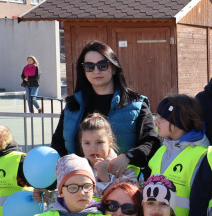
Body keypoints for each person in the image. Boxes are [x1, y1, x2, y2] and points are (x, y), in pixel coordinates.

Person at [50, 41, 159, 177]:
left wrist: (128, 157)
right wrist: (47, 182)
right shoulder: (73, 105)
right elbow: (57, 146)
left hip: (122, 188)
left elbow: (151, 143)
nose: (96, 71)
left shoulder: (136, 104)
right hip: (79, 189)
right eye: (89, 66)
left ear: (113, 68)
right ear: (83, 71)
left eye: (102, 65)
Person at [148, 94, 210, 216]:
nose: (156, 121)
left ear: (178, 122)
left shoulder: (201, 155)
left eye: (162, 118)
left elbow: (201, 203)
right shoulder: (161, 150)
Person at [77, 113, 140, 196]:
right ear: (81, 143)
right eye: (87, 143)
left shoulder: (124, 170)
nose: (93, 148)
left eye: (99, 142)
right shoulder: (76, 168)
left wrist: (105, 179)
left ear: (110, 141)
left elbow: (130, 198)